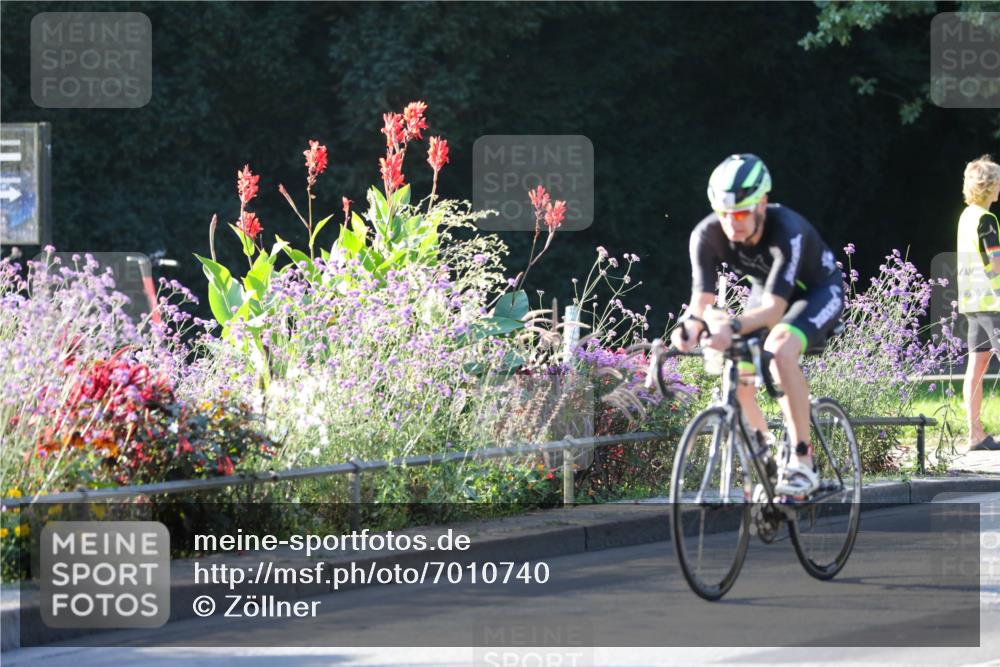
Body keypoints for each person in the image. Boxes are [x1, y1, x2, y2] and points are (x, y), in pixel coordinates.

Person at [671, 154, 844, 499]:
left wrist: (730, 325)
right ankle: (767, 460)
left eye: (740, 214)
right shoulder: (706, 234)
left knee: (779, 350)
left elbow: (775, 310)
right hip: (768, 292)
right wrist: (689, 326)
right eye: (723, 214)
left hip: (816, 293)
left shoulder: (787, 230)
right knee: (738, 373)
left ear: (762, 204)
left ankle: (802, 461)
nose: (731, 223)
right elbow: (701, 300)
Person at [957, 155, 1000, 451]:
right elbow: (994, 264)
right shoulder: (987, 219)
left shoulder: (966, 216)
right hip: (993, 302)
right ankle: (975, 435)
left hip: (971, 301)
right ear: (990, 186)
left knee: (977, 365)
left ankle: (975, 434)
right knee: (978, 365)